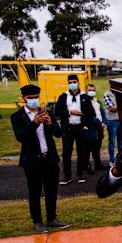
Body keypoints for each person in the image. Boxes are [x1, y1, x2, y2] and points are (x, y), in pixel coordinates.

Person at [11, 84, 69, 233]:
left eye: (36, 97)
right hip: (31, 161)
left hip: (49, 158)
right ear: (24, 98)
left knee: (52, 190)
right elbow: (21, 136)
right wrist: (34, 124)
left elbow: (58, 133)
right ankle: (37, 221)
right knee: (35, 191)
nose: (34, 100)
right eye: (30, 98)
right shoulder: (17, 117)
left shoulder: (46, 112)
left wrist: (50, 124)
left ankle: (52, 218)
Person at [55, 74, 94, 185]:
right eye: (70, 82)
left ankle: (80, 174)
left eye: (74, 82)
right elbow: (57, 112)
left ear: (78, 82)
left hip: (80, 128)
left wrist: (85, 125)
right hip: (67, 128)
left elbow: (90, 113)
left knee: (81, 152)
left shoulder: (84, 97)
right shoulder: (63, 96)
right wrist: (69, 112)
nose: (72, 84)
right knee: (66, 152)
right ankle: (67, 176)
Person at [85, 84, 108, 173]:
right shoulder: (85, 102)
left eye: (93, 90)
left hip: (99, 128)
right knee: (87, 149)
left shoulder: (97, 101)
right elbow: (89, 116)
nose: (92, 92)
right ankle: (87, 166)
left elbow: (102, 113)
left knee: (97, 147)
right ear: (86, 91)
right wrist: (99, 123)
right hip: (91, 128)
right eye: (90, 90)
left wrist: (104, 122)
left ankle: (98, 164)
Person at [103, 88, 122, 166]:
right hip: (112, 120)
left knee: (121, 142)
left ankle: (120, 159)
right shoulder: (107, 94)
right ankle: (112, 160)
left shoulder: (120, 93)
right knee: (111, 141)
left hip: (121, 120)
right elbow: (112, 108)